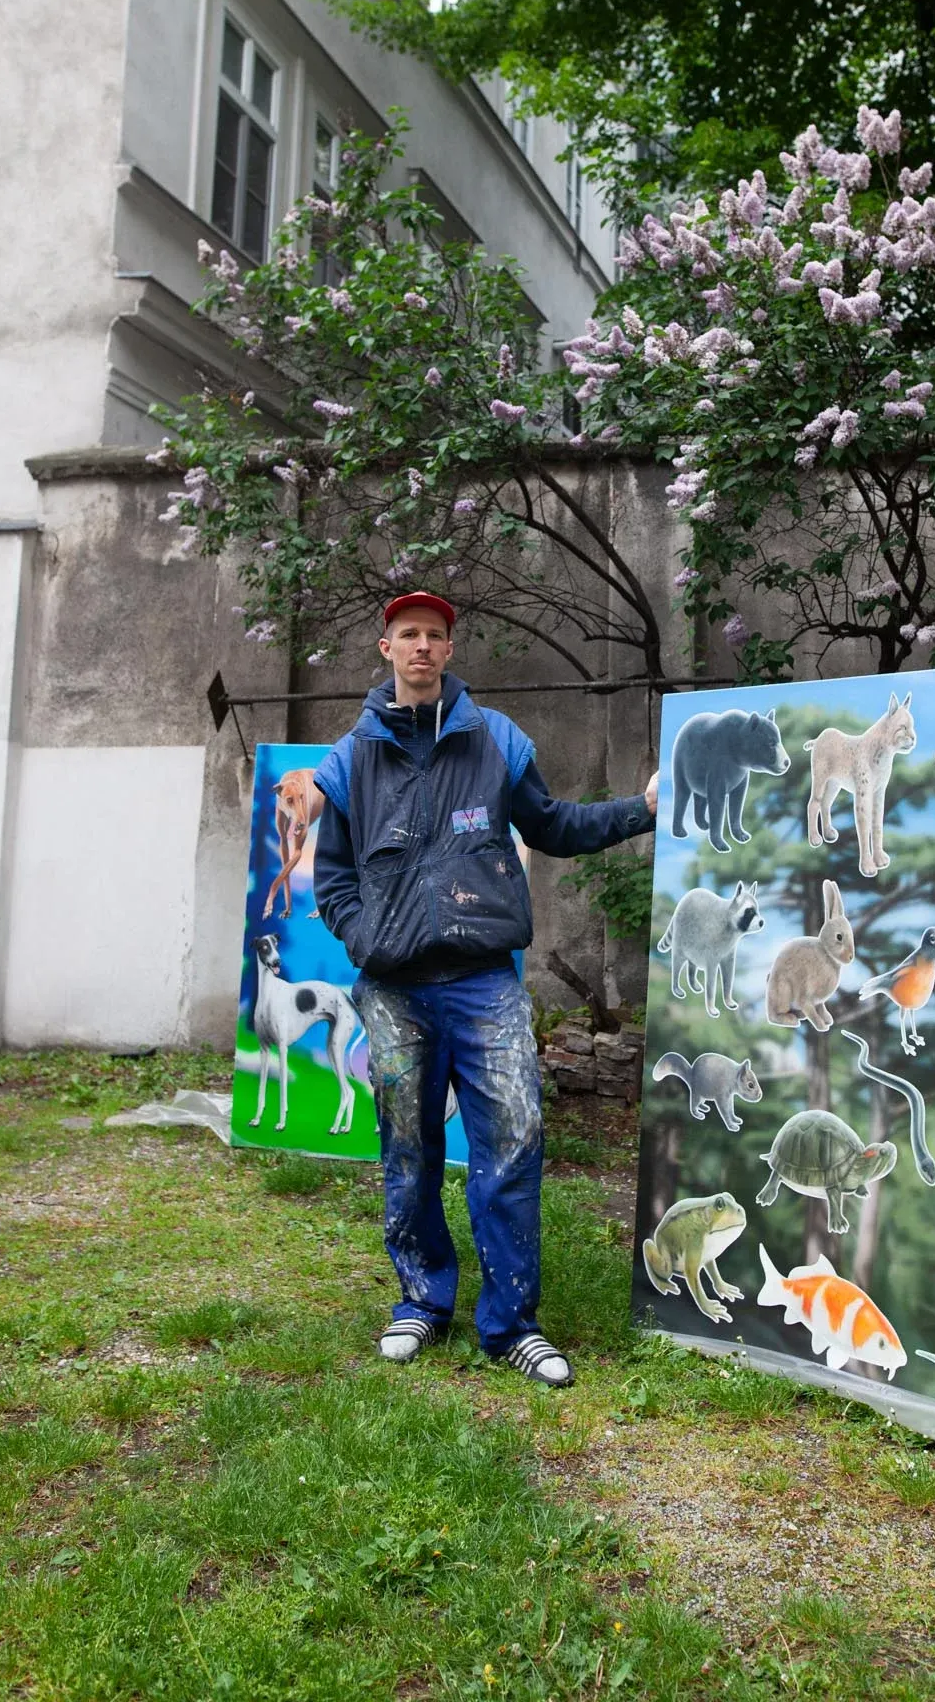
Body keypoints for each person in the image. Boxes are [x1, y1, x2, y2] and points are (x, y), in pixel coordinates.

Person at [313, 590, 657, 1386]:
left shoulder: (495, 740)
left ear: (449, 649)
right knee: (409, 1147)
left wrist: (641, 810)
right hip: (394, 988)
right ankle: (422, 1303)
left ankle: (511, 1324)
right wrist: (365, 938)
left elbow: (554, 826)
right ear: (385, 648)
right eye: (408, 636)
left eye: (435, 635)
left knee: (512, 1143)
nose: (422, 648)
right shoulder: (349, 759)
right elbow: (333, 876)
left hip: (483, 984)